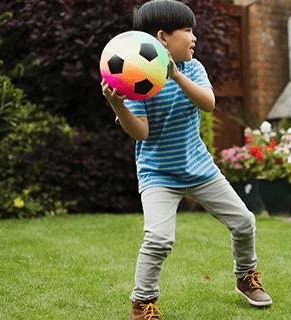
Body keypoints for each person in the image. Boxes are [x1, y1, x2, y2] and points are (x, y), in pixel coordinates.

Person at [101, 1, 272, 319]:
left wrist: (177, 76)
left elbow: (207, 104)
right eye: (188, 30)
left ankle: (246, 277)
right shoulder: (137, 79)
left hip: (199, 168)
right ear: (163, 38)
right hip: (158, 173)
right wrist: (118, 106)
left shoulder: (193, 68)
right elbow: (140, 133)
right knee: (159, 238)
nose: (195, 37)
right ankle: (142, 303)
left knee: (244, 222)